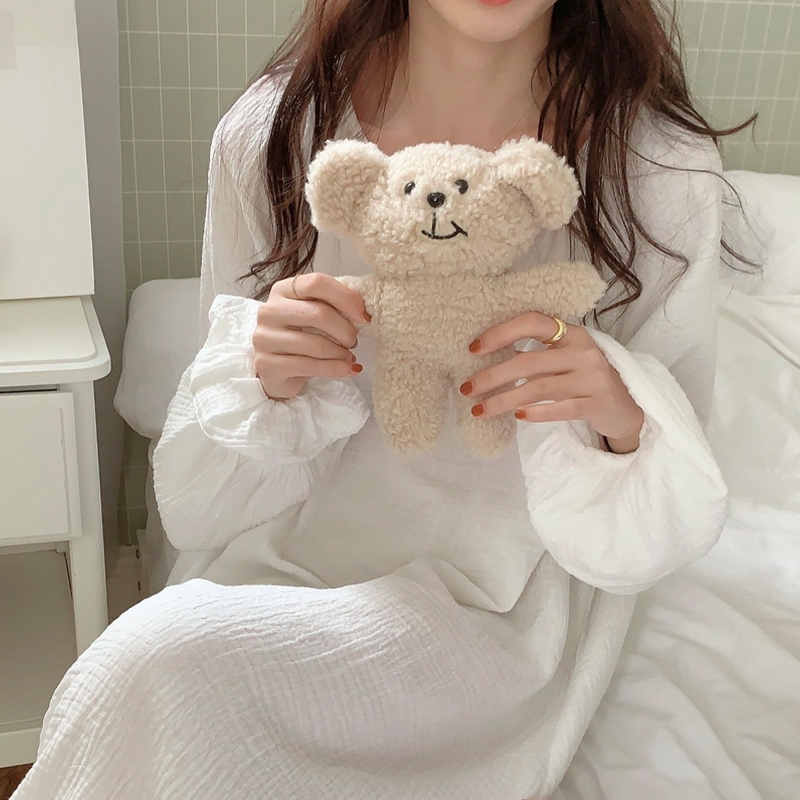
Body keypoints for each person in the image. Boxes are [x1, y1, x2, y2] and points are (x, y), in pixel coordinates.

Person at [13, 1, 756, 798]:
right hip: (292, 556)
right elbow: (207, 502)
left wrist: (618, 412)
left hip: (502, 601)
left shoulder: (659, 169)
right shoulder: (274, 135)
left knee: (165, 665)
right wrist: (268, 378)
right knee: (147, 663)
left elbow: (656, 522)